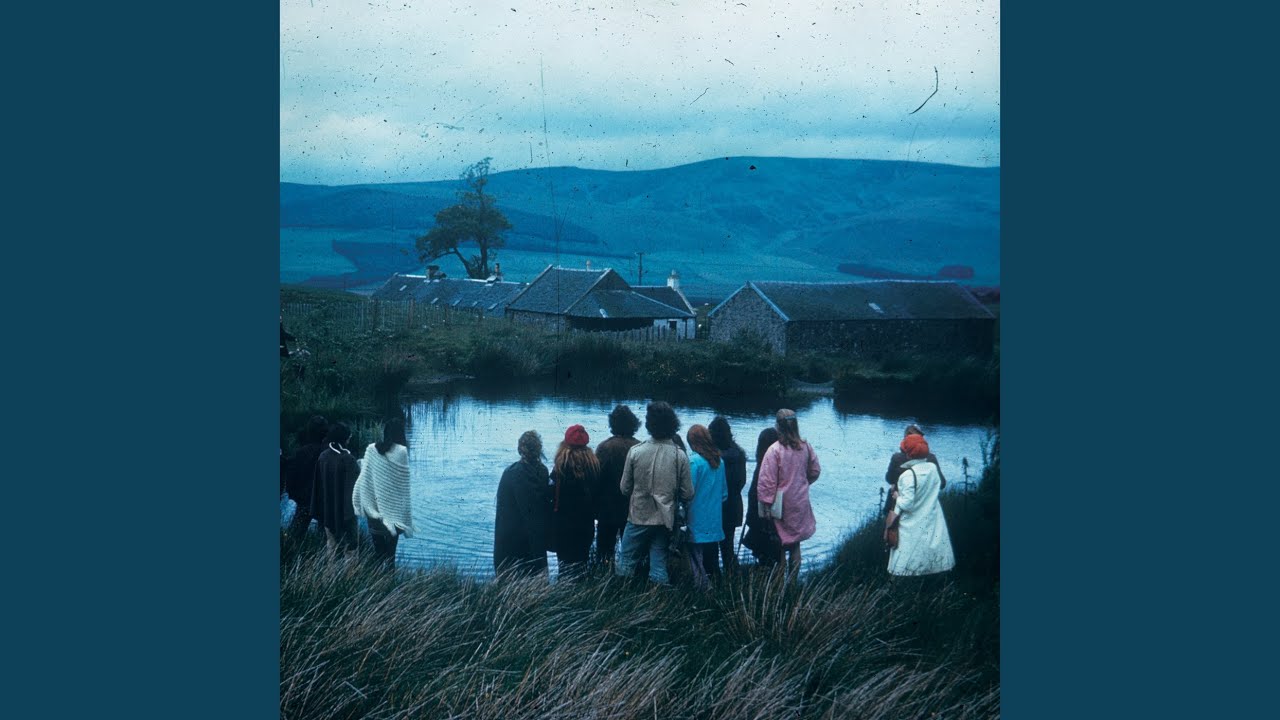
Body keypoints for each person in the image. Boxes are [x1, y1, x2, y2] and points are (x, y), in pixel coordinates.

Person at [615, 401, 693, 587]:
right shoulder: (680, 455)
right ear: (673, 423)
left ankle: (621, 596)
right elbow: (688, 493)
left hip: (638, 515)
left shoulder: (636, 451)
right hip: (664, 519)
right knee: (658, 564)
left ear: (649, 424)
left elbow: (624, 488)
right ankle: (660, 599)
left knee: (626, 562)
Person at [756, 409, 821, 578]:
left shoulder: (774, 450)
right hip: (800, 501)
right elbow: (815, 471)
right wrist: (803, 483)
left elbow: (767, 482)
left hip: (781, 504)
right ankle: (792, 584)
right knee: (795, 545)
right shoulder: (805, 447)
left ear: (778, 426)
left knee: (780, 546)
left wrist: (766, 504)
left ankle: (779, 585)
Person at [886, 433, 955, 578]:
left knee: (907, 558)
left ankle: (906, 580)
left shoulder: (907, 475)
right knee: (929, 552)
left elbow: (907, 504)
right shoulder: (932, 468)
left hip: (911, 522)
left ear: (908, 455)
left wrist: (897, 497)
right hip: (931, 516)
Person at [353, 418, 414, 568]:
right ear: (400, 434)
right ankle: (389, 581)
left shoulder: (372, 449)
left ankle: (377, 580)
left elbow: (365, 477)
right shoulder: (401, 452)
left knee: (378, 553)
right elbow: (402, 488)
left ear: (385, 433)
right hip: (393, 514)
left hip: (374, 511)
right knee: (390, 556)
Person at [493, 431, 553, 578]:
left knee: (510, 579)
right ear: (539, 449)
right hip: (534, 539)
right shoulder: (543, 471)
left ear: (520, 449)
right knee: (536, 578)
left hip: (510, 538)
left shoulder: (510, 473)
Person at [593, 405, 642, 569]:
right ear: (633, 424)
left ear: (613, 424)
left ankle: (604, 576)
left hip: (607, 509)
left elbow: (596, 478)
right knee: (632, 552)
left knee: (604, 551)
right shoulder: (639, 447)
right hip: (632, 508)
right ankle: (630, 578)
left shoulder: (604, 447)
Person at [883, 424, 946, 549]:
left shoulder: (896, 458)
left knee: (894, 540)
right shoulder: (931, 458)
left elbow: (889, 479)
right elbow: (942, 484)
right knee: (921, 542)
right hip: (925, 506)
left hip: (898, 505)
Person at [550, 424, 600, 580]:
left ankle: (563, 592)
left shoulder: (560, 467)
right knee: (582, 563)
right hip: (586, 523)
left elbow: (550, 493)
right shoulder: (594, 466)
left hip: (563, 524)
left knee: (564, 566)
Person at [685, 424, 727, 590]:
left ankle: (700, 590)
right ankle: (715, 589)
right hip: (714, 521)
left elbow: (688, 492)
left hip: (696, 519)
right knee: (712, 560)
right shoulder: (719, 462)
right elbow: (724, 494)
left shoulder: (693, 462)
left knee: (696, 560)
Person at [310, 423, 361, 553]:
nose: (349, 439)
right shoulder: (349, 459)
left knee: (331, 544)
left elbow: (318, 487)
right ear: (344, 439)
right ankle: (350, 568)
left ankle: (330, 567)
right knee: (351, 548)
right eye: (349, 437)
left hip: (328, 511)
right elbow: (356, 487)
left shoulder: (323, 456)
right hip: (347, 513)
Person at [709, 416, 747, 574]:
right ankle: (731, 576)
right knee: (728, 546)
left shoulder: (713, 457)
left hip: (715, 506)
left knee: (711, 546)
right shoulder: (739, 454)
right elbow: (742, 482)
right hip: (733, 505)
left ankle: (714, 577)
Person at [741, 427, 782, 566]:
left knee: (764, 556)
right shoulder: (780, 464)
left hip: (762, 518)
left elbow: (754, 494)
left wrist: (749, 518)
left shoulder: (762, 465)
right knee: (774, 554)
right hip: (775, 517)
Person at [286, 415, 329, 541]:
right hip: (323, 502)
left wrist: (294, 495)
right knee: (326, 539)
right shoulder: (328, 453)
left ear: (309, 431)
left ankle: (289, 550)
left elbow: (291, 477)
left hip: (304, 500)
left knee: (294, 536)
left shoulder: (300, 453)